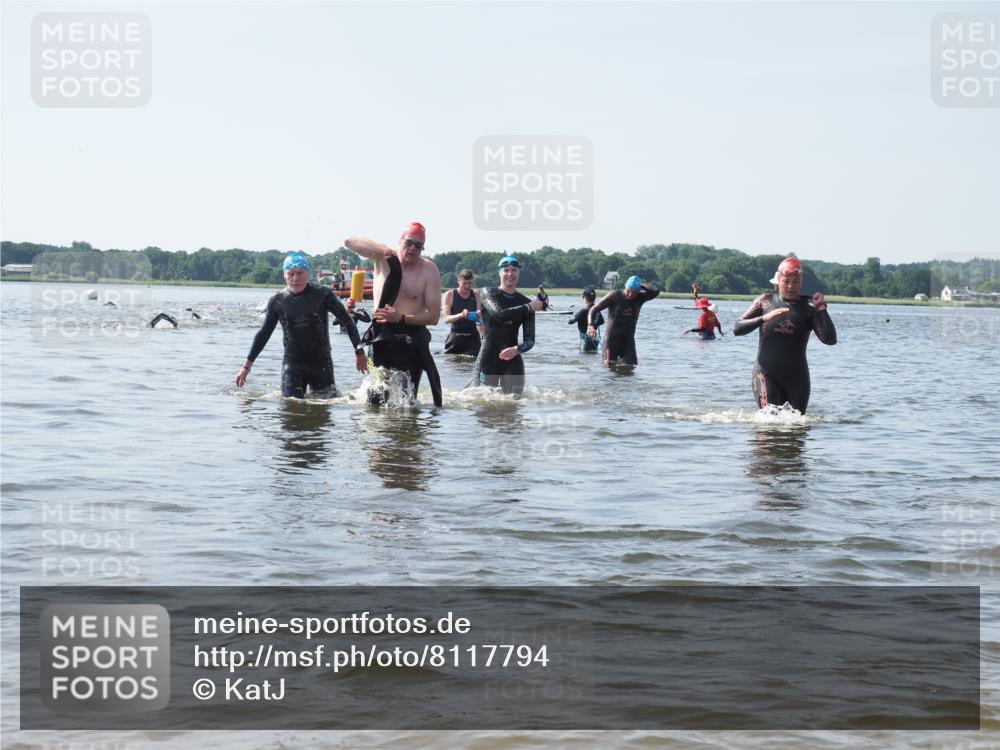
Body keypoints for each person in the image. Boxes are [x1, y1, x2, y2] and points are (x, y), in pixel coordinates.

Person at [235, 252, 367, 398]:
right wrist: (246, 367)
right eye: (291, 273)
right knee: (290, 404)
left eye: (300, 273)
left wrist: (359, 352)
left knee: (326, 405)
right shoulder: (277, 300)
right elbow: (264, 333)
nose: (295, 278)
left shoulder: (322, 294)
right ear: (284, 274)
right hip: (293, 363)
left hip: (321, 363)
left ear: (307, 273)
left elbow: (347, 321)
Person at [344, 222, 443, 406]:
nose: (413, 248)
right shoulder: (382, 259)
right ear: (400, 240)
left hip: (411, 339)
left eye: (418, 246)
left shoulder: (429, 271)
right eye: (409, 242)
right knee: (375, 399)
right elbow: (349, 241)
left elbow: (434, 317)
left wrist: (401, 318)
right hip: (381, 337)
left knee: (408, 402)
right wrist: (381, 248)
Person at [733, 257, 837, 414]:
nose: (791, 286)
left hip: (797, 379)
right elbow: (737, 328)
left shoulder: (809, 309)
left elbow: (830, 340)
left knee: (797, 424)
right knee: (770, 421)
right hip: (765, 374)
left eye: (796, 281)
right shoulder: (765, 301)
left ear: (801, 282)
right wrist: (763, 318)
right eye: (786, 281)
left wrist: (821, 308)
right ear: (778, 281)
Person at [475, 256, 543, 394]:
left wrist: (517, 349)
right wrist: (528, 307)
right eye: (506, 270)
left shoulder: (525, 302)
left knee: (515, 401)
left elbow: (530, 340)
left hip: (513, 359)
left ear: (519, 273)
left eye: (514, 270)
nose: (510, 274)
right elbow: (499, 315)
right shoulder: (488, 293)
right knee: (484, 402)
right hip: (488, 358)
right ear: (499, 272)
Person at [588, 275, 660, 366]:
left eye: (634, 292)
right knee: (608, 368)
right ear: (625, 286)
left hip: (628, 341)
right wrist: (590, 325)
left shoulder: (640, 297)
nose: (630, 294)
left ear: (638, 291)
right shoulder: (614, 296)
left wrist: (640, 285)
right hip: (611, 340)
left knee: (631, 367)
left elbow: (656, 291)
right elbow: (594, 309)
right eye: (628, 291)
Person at [442, 269, 483, 356]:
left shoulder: (476, 294)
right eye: (464, 283)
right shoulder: (449, 294)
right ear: (458, 281)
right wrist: (461, 315)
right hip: (456, 336)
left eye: (470, 283)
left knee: (473, 363)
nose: (467, 286)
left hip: (473, 338)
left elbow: (479, 320)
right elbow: (446, 319)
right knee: (451, 362)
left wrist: (482, 335)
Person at [568, 287, 604, 352]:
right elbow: (602, 321)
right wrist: (594, 325)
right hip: (594, 339)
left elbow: (571, 322)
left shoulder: (583, 311)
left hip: (586, 339)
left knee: (585, 354)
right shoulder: (597, 311)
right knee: (593, 354)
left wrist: (572, 317)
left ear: (585, 298)